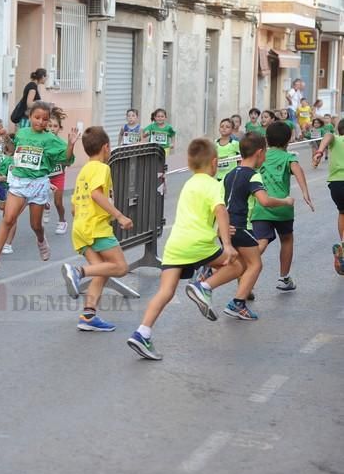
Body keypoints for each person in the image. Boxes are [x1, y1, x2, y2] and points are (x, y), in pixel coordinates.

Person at [126, 139, 241, 361]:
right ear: (215, 162)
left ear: (189, 165)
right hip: (198, 243)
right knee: (237, 266)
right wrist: (226, 244)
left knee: (165, 291)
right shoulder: (214, 184)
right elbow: (220, 211)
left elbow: (201, 214)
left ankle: (142, 333)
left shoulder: (189, 184)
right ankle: (204, 287)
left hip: (176, 244)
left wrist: (220, 230)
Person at [0, 101, 79, 271]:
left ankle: (41, 240)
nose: (40, 122)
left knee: (35, 225)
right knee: (8, 218)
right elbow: (14, 149)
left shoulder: (51, 139)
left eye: (44, 119)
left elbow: (66, 158)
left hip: (38, 184)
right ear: (30, 117)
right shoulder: (22, 133)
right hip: (19, 182)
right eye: (37, 118)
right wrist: (7, 139)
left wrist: (71, 145)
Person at [61, 127, 133, 331]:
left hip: (81, 229)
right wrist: (119, 216)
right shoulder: (102, 168)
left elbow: (74, 206)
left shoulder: (84, 170)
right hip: (96, 228)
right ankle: (77, 271)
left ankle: (88, 316)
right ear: (106, 147)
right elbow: (96, 194)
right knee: (120, 267)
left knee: (102, 271)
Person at [222, 133, 294, 320]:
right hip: (240, 226)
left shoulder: (231, 173)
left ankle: (211, 279)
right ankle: (236, 302)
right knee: (255, 264)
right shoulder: (254, 176)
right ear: (260, 153)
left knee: (240, 263)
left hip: (226, 227)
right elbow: (265, 201)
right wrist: (285, 201)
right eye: (265, 154)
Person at [251, 122, 314, 291]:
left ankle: (245, 271)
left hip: (262, 206)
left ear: (267, 139)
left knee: (261, 241)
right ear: (288, 140)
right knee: (286, 239)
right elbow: (298, 170)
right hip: (283, 208)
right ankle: (284, 278)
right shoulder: (288, 157)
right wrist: (305, 192)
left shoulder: (261, 156)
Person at [311, 119, 344, 275]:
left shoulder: (335, 139)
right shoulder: (335, 137)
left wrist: (320, 151)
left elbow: (328, 136)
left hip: (336, 184)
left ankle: (343, 245)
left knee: (342, 212)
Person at [45, 107, 73, 235]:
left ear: (59, 128)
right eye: (49, 125)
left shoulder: (62, 144)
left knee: (58, 202)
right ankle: (45, 205)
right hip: (44, 176)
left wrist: (70, 146)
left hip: (57, 176)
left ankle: (62, 221)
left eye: (55, 126)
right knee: (38, 199)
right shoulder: (41, 142)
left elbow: (67, 161)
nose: (52, 128)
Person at [0, 142, 18, 255]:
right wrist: (4, 177)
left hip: (19, 191)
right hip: (8, 190)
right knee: (7, 217)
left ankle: (8, 244)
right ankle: (5, 241)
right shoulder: (7, 161)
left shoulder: (23, 161)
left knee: (12, 216)